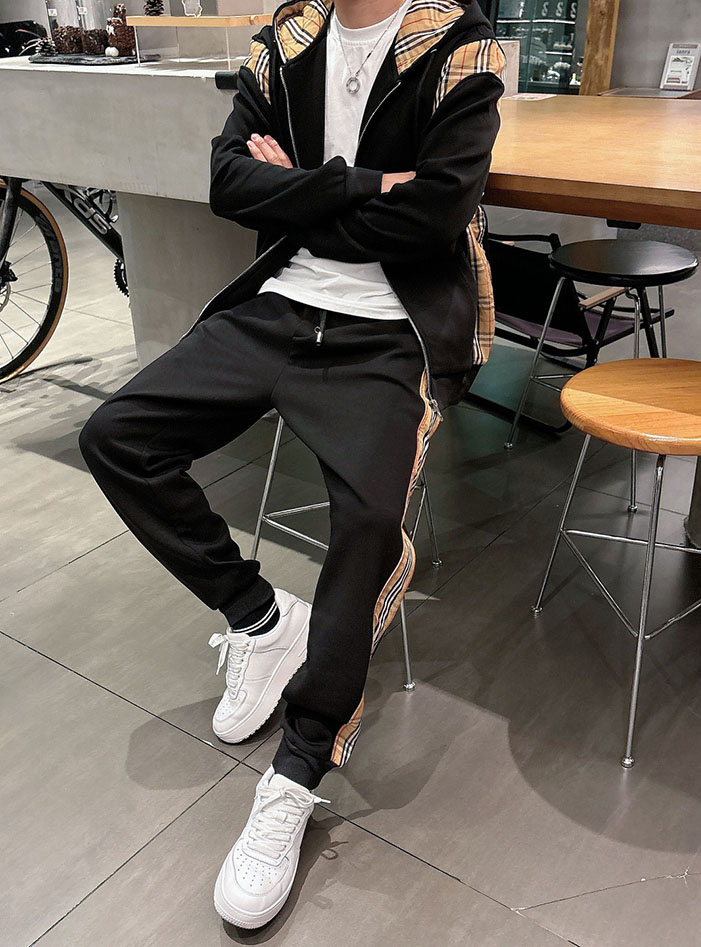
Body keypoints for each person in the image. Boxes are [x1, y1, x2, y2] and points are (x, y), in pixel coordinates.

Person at [79, 0, 504, 929]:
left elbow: (435, 216)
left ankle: (299, 767)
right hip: (278, 304)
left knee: (368, 523)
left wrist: (301, 190)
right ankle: (262, 620)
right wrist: (360, 184)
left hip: (388, 330)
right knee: (117, 438)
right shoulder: (293, 35)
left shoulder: (458, 45)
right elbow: (229, 182)